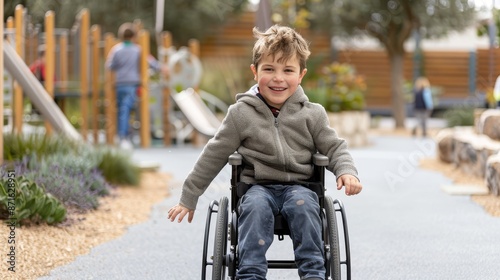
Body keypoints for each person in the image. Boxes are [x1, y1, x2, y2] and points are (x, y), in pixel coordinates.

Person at [167, 25, 362, 280]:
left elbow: (334, 146)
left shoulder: (312, 114)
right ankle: (250, 274)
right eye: (269, 69)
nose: (278, 78)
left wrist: (346, 171)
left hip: (301, 188)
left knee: (304, 207)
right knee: (256, 207)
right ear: (255, 71)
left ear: (301, 74)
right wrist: (189, 196)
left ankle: (314, 273)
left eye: (288, 70)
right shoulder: (240, 114)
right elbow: (214, 153)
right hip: (256, 188)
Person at [106, 22, 141, 150]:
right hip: (132, 84)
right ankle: (123, 137)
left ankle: (125, 134)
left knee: (122, 109)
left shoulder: (116, 49)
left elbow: (109, 65)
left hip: (119, 84)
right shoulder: (137, 49)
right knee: (127, 109)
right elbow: (149, 62)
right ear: (133, 37)